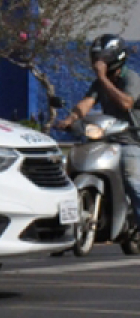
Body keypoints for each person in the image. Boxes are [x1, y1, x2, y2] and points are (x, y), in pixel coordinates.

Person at [56, 33, 140, 217]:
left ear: (115, 57)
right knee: (77, 164)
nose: (98, 63)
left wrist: (103, 78)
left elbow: (126, 103)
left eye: (103, 58)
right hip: (109, 139)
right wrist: (69, 120)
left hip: (133, 142)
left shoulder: (131, 79)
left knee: (133, 181)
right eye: (96, 58)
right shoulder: (98, 84)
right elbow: (86, 103)